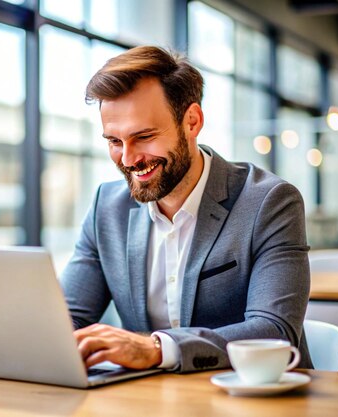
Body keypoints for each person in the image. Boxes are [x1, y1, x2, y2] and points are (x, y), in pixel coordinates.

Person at [60, 46, 312, 372]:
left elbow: (275, 332)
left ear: (191, 122)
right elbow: (69, 317)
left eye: (145, 136)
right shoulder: (106, 209)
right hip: (149, 400)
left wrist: (156, 349)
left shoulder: (270, 202)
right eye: (114, 141)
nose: (128, 159)